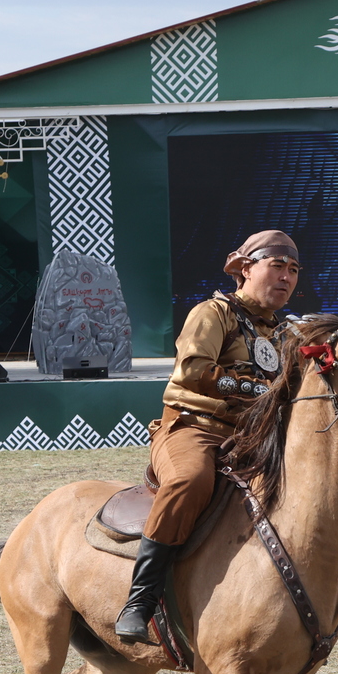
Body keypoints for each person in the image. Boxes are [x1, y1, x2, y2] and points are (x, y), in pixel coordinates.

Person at [115, 230, 300, 644]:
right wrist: (261, 390)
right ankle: (140, 600)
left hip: (256, 437)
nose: (286, 277)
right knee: (190, 480)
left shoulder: (288, 335)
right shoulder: (213, 313)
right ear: (246, 268)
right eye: (276, 266)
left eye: (293, 270)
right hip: (193, 428)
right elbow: (194, 370)